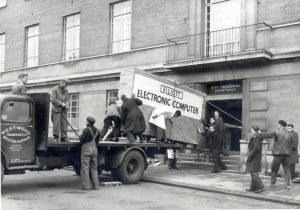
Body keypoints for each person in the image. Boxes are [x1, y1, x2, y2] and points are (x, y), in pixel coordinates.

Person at [262, 120, 292, 189]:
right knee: (287, 170)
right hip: (287, 154)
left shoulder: (277, 132)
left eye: (278, 124)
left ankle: (272, 183)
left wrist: (259, 133)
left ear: (281, 125)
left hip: (278, 154)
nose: (277, 126)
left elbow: (268, 135)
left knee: (274, 169)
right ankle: (288, 185)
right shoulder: (290, 133)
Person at [80, 116, 100, 190]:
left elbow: (81, 141)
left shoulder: (86, 130)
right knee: (94, 168)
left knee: (85, 168)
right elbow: (97, 142)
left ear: (88, 122)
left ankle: (86, 186)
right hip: (95, 150)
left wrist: (80, 137)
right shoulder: (97, 130)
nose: (85, 122)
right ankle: (96, 186)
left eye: (86, 121)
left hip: (86, 150)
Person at [246, 125, 266, 193]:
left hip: (254, 157)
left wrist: (250, 155)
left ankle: (261, 187)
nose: (250, 131)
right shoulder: (256, 136)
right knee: (253, 172)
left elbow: (255, 148)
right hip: (255, 157)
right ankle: (253, 188)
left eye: (251, 130)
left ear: (254, 130)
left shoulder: (257, 136)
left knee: (253, 172)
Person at [50, 78, 70, 143]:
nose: (66, 86)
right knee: (56, 124)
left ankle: (64, 137)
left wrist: (67, 104)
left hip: (63, 110)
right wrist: (61, 104)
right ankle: (56, 137)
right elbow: (52, 99)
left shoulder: (66, 91)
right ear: (61, 82)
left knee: (64, 124)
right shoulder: (54, 89)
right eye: (65, 84)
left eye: (67, 84)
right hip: (56, 110)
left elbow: (67, 99)